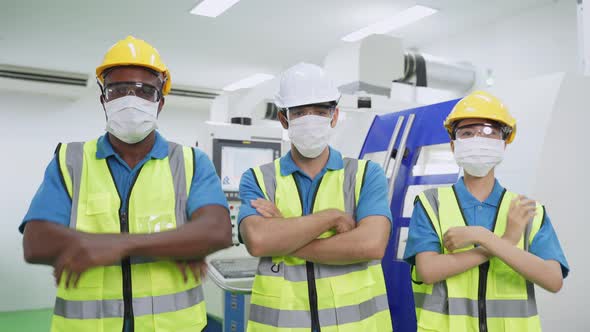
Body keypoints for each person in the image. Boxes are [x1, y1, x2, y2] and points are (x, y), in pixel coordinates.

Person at [19, 35, 232, 332]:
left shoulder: (190, 162)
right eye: (118, 89)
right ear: (104, 98)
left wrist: (113, 244)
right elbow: (36, 241)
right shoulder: (70, 160)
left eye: (145, 91)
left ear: (160, 102)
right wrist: (179, 244)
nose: (131, 99)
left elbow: (216, 231)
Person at [238, 63, 393, 331]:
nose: (310, 120)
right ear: (284, 118)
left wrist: (285, 238)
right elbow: (259, 241)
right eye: (299, 112)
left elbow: (370, 245)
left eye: (320, 111)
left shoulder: (365, 174)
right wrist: (329, 217)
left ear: (334, 116)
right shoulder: (258, 178)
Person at [404, 90, 569, 332]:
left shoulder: (527, 211)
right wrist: (503, 242)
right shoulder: (431, 204)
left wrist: (484, 237)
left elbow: (553, 280)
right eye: (467, 133)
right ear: (453, 145)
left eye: (490, 133)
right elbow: (428, 271)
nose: (478, 140)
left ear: (504, 144)